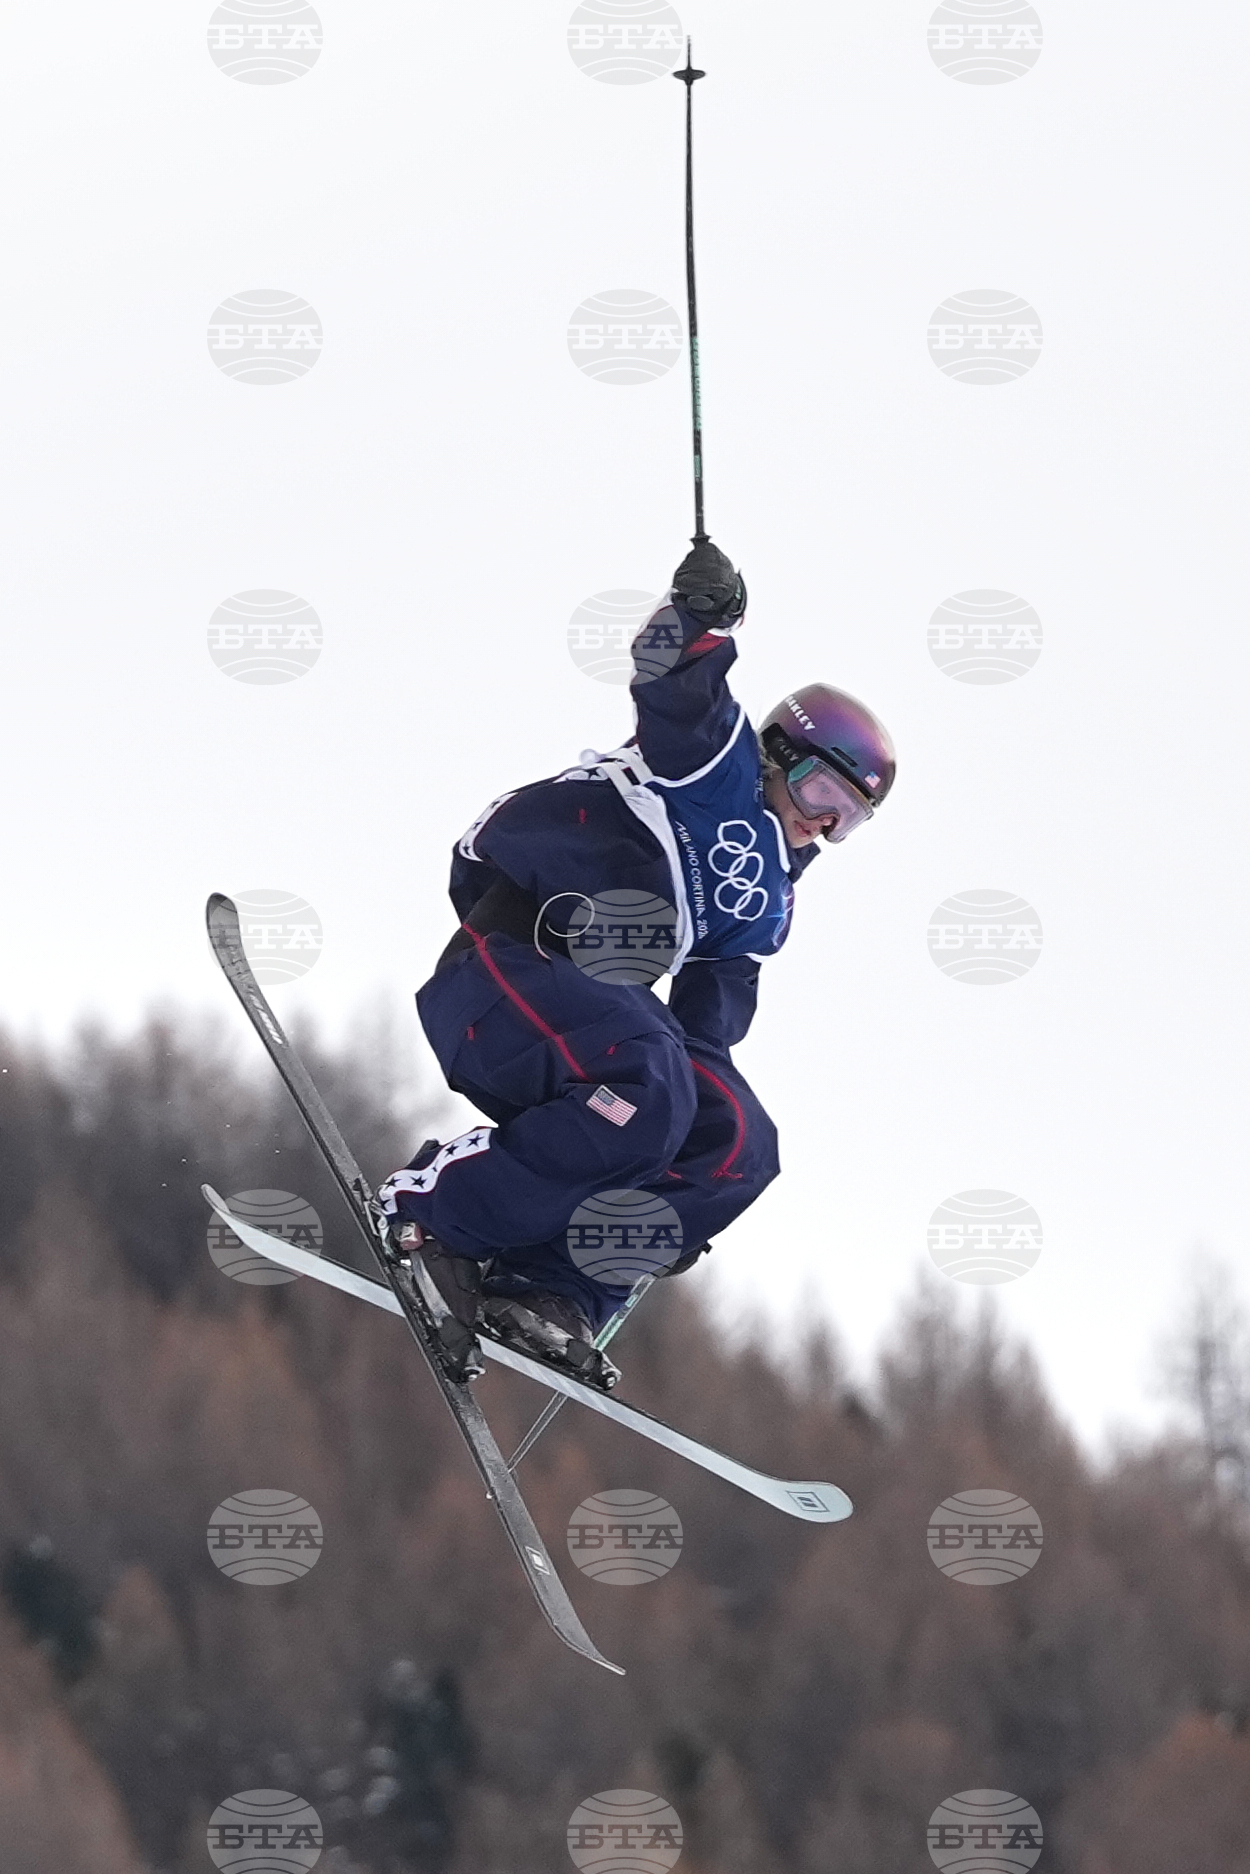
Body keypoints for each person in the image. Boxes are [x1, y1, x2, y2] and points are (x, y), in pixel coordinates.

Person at [378, 540, 895, 1387]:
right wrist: (701, 617)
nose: (823, 829)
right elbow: (670, 683)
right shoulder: (714, 770)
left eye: (850, 823)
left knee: (736, 1140)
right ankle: (433, 1210)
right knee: (651, 1080)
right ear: (780, 756)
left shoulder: (765, 904)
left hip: (600, 1027)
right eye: (822, 799)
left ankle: (553, 1287)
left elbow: (706, 1036)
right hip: (511, 967)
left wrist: (682, 1178)